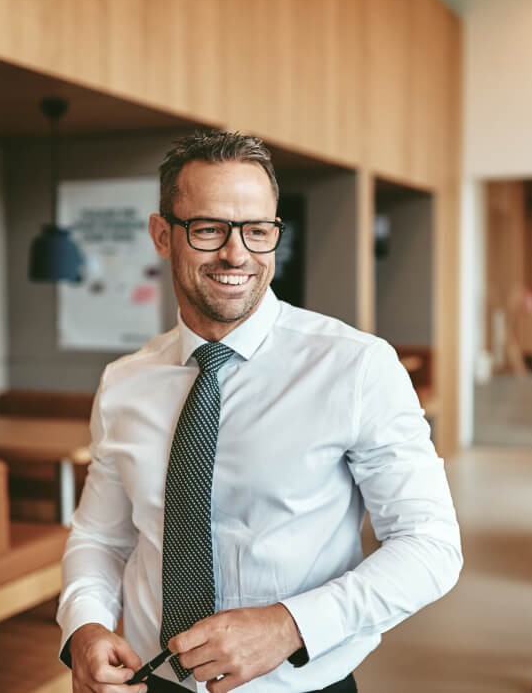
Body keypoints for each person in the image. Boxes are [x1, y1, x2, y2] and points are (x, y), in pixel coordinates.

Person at [57, 129, 462, 693]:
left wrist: (290, 626)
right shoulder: (125, 382)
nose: (236, 253)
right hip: (153, 683)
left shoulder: (356, 368)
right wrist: (86, 626)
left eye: (257, 230)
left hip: (301, 685)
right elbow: (101, 539)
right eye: (208, 229)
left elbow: (430, 546)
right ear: (161, 235)